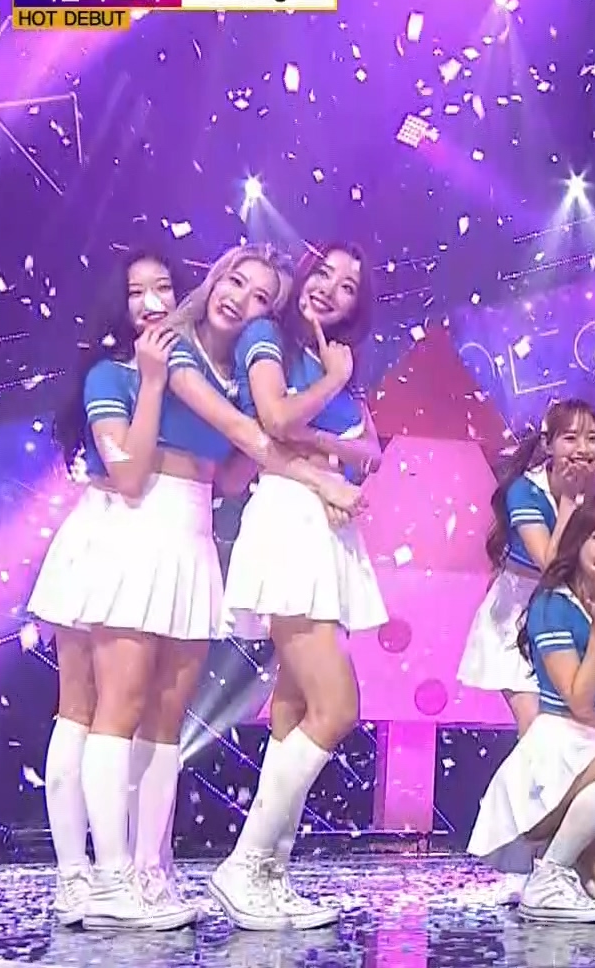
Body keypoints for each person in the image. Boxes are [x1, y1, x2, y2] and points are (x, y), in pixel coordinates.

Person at [71, 245, 361, 931]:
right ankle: (108, 877)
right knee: (120, 705)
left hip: (193, 529)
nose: (240, 299)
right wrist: (320, 475)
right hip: (139, 522)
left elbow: (234, 470)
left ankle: (149, 872)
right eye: (234, 280)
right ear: (212, 279)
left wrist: (306, 452)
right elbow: (244, 434)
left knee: (167, 716)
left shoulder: (237, 372)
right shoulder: (172, 349)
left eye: (261, 296)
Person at [208, 242, 387, 931]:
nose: (329, 289)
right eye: (324, 273)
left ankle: (270, 875)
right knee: (336, 707)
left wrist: (325, 444)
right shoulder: (268, 336)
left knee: (292, 708)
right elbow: (275, 420)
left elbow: (371, 452)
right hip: (289, 520)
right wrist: (330, 391)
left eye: (348, 286)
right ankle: (244, 863)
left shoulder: (331, 361)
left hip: (325, 527)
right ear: (301, 275)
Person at [28, 248, 179, 926]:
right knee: (81, 712)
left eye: (163, 287)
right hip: (102, 541)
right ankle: (78, 878)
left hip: (146, 546)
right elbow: (128, 475)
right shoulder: (109, 375)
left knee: (126, 712)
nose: (152, 302)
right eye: (137, 291)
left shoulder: (178, 372)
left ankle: (130, 872)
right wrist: (151, 383)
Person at [467, 495, 595, 924]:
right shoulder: (552, 604)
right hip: (556, 760)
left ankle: (569, 869)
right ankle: (549, 874)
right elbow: (580, 701)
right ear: (578, 541)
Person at [461, 398, 595, 735]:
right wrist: (571, 500)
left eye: (593, 438)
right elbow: (550, 566)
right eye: (570, 438)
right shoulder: (525, 490)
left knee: (577, 729)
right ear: (548, 444)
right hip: (519, 612)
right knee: (537, 727)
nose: (583, 449)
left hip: (575, 612)